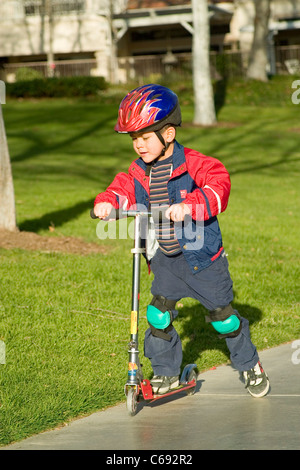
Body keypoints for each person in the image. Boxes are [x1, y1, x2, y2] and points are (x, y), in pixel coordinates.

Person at [93, 84, 270, 398]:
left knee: (224, 320)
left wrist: (190, 206)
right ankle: (166, 373)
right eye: (134, 139)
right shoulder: (138, 172)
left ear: (169, 134)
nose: (138, 145)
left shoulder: (196, 163)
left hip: (203, 262)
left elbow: (219, 185)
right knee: (158, 316)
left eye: (145, 137)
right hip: (166, 262)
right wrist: (107, 204)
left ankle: (249, 364)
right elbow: (121, 190)